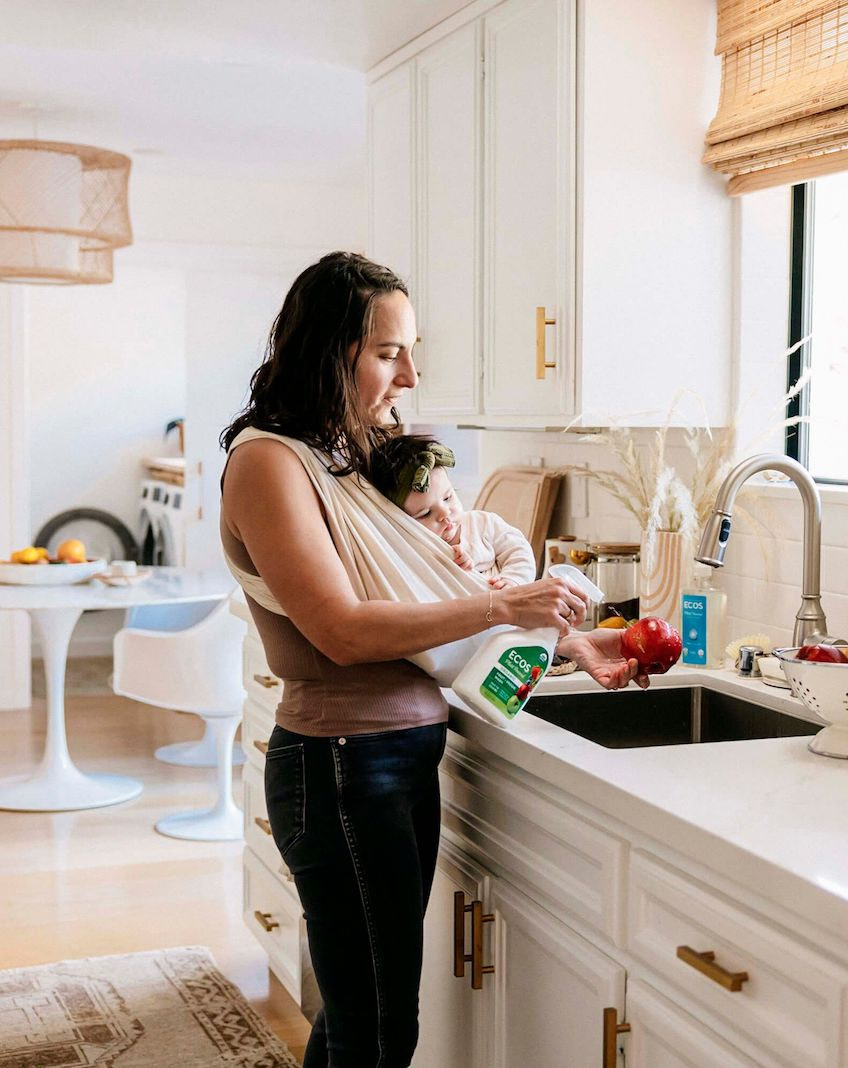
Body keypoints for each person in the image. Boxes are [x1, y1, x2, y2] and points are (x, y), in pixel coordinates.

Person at [219, 251, 646, 1068]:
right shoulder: (271, 462)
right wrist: (509, 605)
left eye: (411, 350)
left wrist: (561, 640)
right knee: (377, 1030)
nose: (410, 374)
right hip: (343, 766)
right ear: (326, 350)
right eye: (388, 352)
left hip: (392, 762)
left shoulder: (352, 454)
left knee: (366, 1024)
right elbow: (343, 630)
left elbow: (426, 596)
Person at [368, 434, 536, 589]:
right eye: (425, 513)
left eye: (447, 498)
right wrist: (460, 569)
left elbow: (519, 551)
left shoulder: (483, 523)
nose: (445, 514)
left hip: (507, 606)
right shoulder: (415, 551)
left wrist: (513, 580)